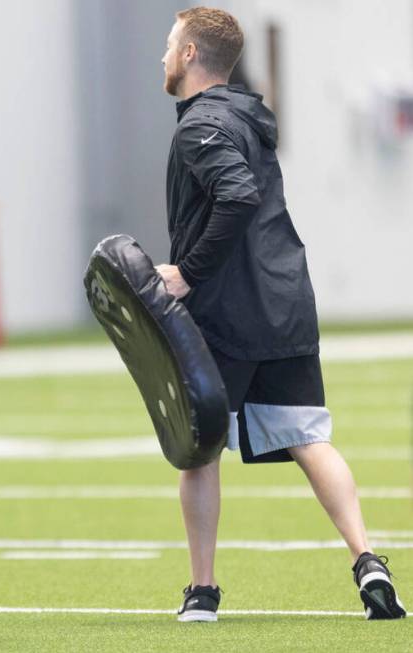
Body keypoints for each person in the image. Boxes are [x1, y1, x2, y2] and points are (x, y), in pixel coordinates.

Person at [157, 6, 405, 622]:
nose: (161, 56)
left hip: (227, 314)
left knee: (200, 450)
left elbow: (236, 194)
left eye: (169, 45)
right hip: (286, 302)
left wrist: (186, 273)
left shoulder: (200, 127)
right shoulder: (248, 116)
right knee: (310, 438)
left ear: (191, 55)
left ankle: (203, 592)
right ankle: (368, 559)